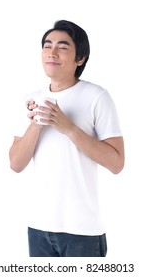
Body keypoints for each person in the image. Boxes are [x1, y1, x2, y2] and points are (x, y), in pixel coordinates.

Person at [9, 20, 125, 257]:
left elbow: (116, 163)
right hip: (38, 228)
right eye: (47, 45)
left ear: (79, 59)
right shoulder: (31, 100)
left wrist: (68, 128)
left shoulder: (97, 97)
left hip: (82, 231)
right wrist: (37, 123)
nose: (51, 52)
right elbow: (16, 164)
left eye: (62, 47)